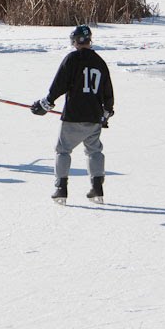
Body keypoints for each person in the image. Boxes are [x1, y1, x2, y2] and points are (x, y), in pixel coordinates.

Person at [30, 24, 114, 205]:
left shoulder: (72, 59)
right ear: (90, 40)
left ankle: (61, 189)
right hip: (94, 116)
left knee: (63, 150)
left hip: (73, 116)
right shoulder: (100, 62)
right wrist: (106, 113)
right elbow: (108, 93)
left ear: (75, 41)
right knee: (94, 151)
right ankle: (97, 187)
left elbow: (59, 85)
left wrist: (45, 104)